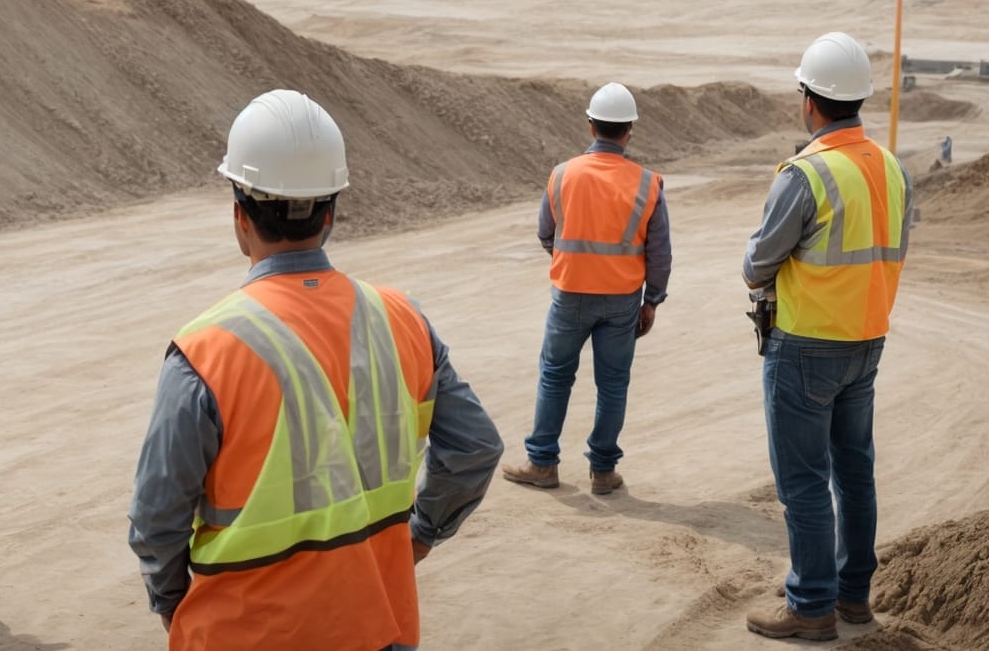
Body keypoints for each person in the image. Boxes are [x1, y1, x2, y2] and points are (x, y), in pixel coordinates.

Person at [128, 89, 503, 651]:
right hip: (378, 625)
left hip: (243, 633)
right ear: (331, 213)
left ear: (239, 216)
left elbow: (157, 516)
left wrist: (169, 599)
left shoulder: (205, 351)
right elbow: (475, 449)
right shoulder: (403, 321)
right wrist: (418, 538)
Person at [741, 33, 912, 642]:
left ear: (810, 100)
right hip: (866, 342)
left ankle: (811, 605)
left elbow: (758, 264)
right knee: (854, 471)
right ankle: (853, 599)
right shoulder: (892, 168)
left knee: (804, 481)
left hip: (806, 345)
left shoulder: (806, 173)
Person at [504, 82, 671, 496]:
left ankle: (542, 463)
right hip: (622, 301)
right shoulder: (648, 183)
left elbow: (547, 233)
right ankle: (602, 472)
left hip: (570, 294)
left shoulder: (563, 175)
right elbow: (660, 252)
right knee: (613, 384)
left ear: (591, 125)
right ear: (629, 129)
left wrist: (573, 265)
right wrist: (651, 300)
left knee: (555, 377)